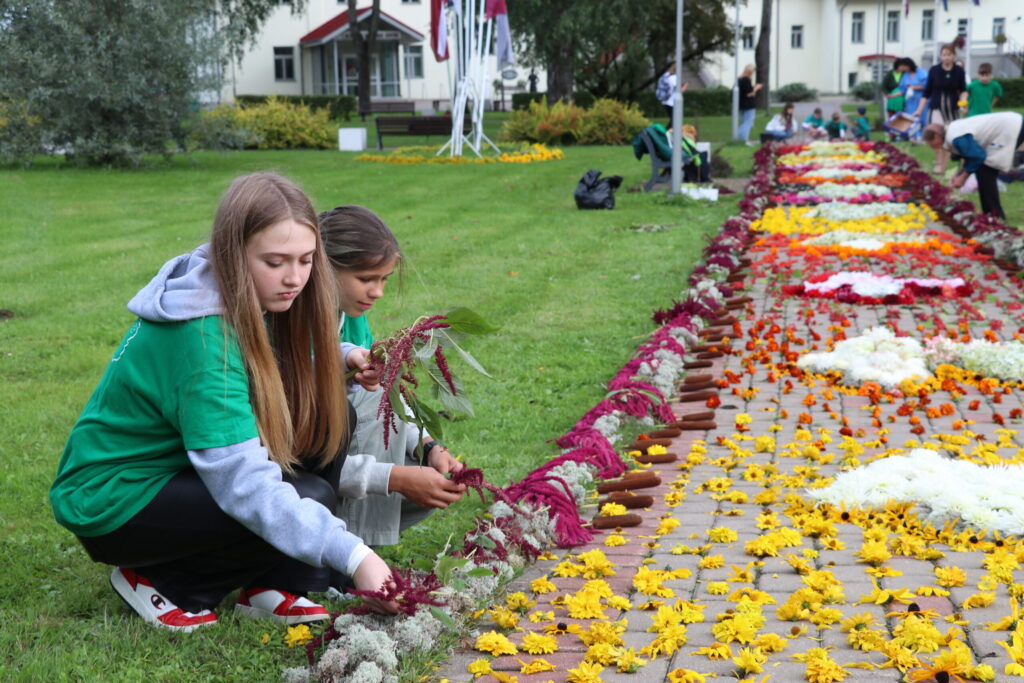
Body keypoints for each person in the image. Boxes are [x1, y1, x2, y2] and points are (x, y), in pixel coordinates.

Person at [49, 172, 398, 633]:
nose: (294, 278)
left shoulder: (256, 295)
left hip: (180, 467)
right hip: (116, 495)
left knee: (333, 419)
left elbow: (273, 359)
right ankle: (169, 582)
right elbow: (242, 482)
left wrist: (343, 356)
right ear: (234, 253)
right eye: (275, 261)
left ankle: (276, 583)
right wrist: (356, 555)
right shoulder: (202, 339)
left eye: (307, 260)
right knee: (306, 494)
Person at [318, 205, 466, 550]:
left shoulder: (351, 315)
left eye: (383, 279)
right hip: (307, 450)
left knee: (416, 461)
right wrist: (395, 478)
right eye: (366, 279)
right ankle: (350, 557)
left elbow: (385, 393)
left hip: (332, 445)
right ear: (324, 268)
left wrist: (428, 446)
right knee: (371, 405)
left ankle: (353, 548)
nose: (378, 292)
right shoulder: (289, 317)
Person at [923, 111, 1024, 219]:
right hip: (1011, 122)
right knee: (983, 171)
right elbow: (970, 157)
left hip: (1010, 127)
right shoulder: (952, 131)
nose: (933, 148)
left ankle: (994, 215)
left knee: (986, 171)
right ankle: (991, 213)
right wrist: (958, 174)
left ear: (937, 137)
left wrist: (962, 178)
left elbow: (978, 156)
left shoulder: (956, 137)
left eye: (931, 144)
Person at [915, 44, 967, 173]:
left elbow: (963, 90)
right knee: (936, 137)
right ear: (940, 56)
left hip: (952, 110)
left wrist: (963, 103)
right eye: (944, 54)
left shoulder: (959, 71)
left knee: (949, 138)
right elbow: (926, 92)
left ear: (954, 56)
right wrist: (919, 110)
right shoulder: (934, 70)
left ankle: (944, 165)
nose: (946, 57)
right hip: (936, 108)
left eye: (949, 54)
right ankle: (938, 163)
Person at [896, 57, 929, 140]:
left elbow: (926, 85)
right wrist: (892, 96)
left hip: (920, 99)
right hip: (910, 100)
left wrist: (913, 87)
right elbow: (902, 88)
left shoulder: (921, 72)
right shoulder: (905, 75)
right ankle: (913, 136)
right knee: (910, 117)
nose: (903, 68)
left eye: (904, 66)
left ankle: (922, 136)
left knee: (922, 117)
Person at [737, 64, 763, 145]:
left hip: (741, 104)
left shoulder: (740, 79)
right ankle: (743, 139)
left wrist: (753, 87)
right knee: (747, 122)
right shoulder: (746, 80)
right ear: (750, 72)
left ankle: (739, 139)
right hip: (748, 105)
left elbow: (744, 90)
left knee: (744, 122)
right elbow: (749, 93)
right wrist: (756, 88)